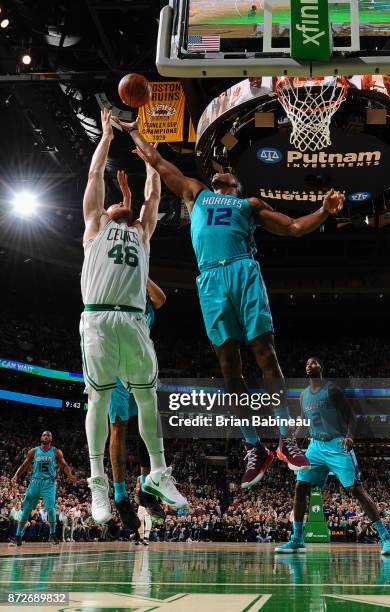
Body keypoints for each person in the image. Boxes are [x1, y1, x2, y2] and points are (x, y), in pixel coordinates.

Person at [111, 114, 344, 489]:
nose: (220, 178)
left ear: (236, 186)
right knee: (228, 368)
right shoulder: (196, 193)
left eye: (228, 179)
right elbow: (156, 161)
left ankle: (286, 440)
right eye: (217, 176)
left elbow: (295, 227)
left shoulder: (249, 205)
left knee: (266, 356)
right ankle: (254, 447)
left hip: (243, 271)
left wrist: (323, 210)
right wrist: (134, 131)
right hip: (210, 278)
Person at [81, 108, 187, 524]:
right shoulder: (94, 226)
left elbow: (153, 197)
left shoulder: (142, 232)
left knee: (147, 395)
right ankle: (97, 482)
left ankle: (158, 472)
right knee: (100, 399)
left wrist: (149, 158)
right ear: (106, 213)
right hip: (99, 320)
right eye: (112, 207)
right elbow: (93, 178)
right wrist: (105, 136)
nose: (113, 207)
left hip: (133, 322)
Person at [275, 356, 390, 556]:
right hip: (315, 446)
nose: (309, 365)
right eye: (306, 363)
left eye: (313, 362)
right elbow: (305, 421)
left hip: (337, 444)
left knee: (356, 490)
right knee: (300, 487)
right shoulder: (303, 395)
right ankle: (297, 539)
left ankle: (386, 537)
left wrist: (349, 437)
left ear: (321, 367)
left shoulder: (332, 390)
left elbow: (352, 416)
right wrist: (292, 439)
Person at [109, 276, 167, 529]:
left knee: (149, 425)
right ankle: (120, 495)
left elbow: (161, 298)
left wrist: (142, 272)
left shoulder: (145, 292)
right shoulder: (118, 283)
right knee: (118, 427)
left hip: (141, 363)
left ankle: (145, 489)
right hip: (116, 363)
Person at [10, 431, 76, 546]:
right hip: (35, 481)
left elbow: (64, 465)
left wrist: (70, 475)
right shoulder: (34, 451)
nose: (46, 436)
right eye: (44, 435)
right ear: (41, 437)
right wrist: (16, 475)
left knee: (51, 508)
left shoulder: (56, 452)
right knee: (26, 509)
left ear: (51, 438)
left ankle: (53, 534)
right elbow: (25, 465)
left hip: (49, 483)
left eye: (48, 435)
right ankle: (18, 536)